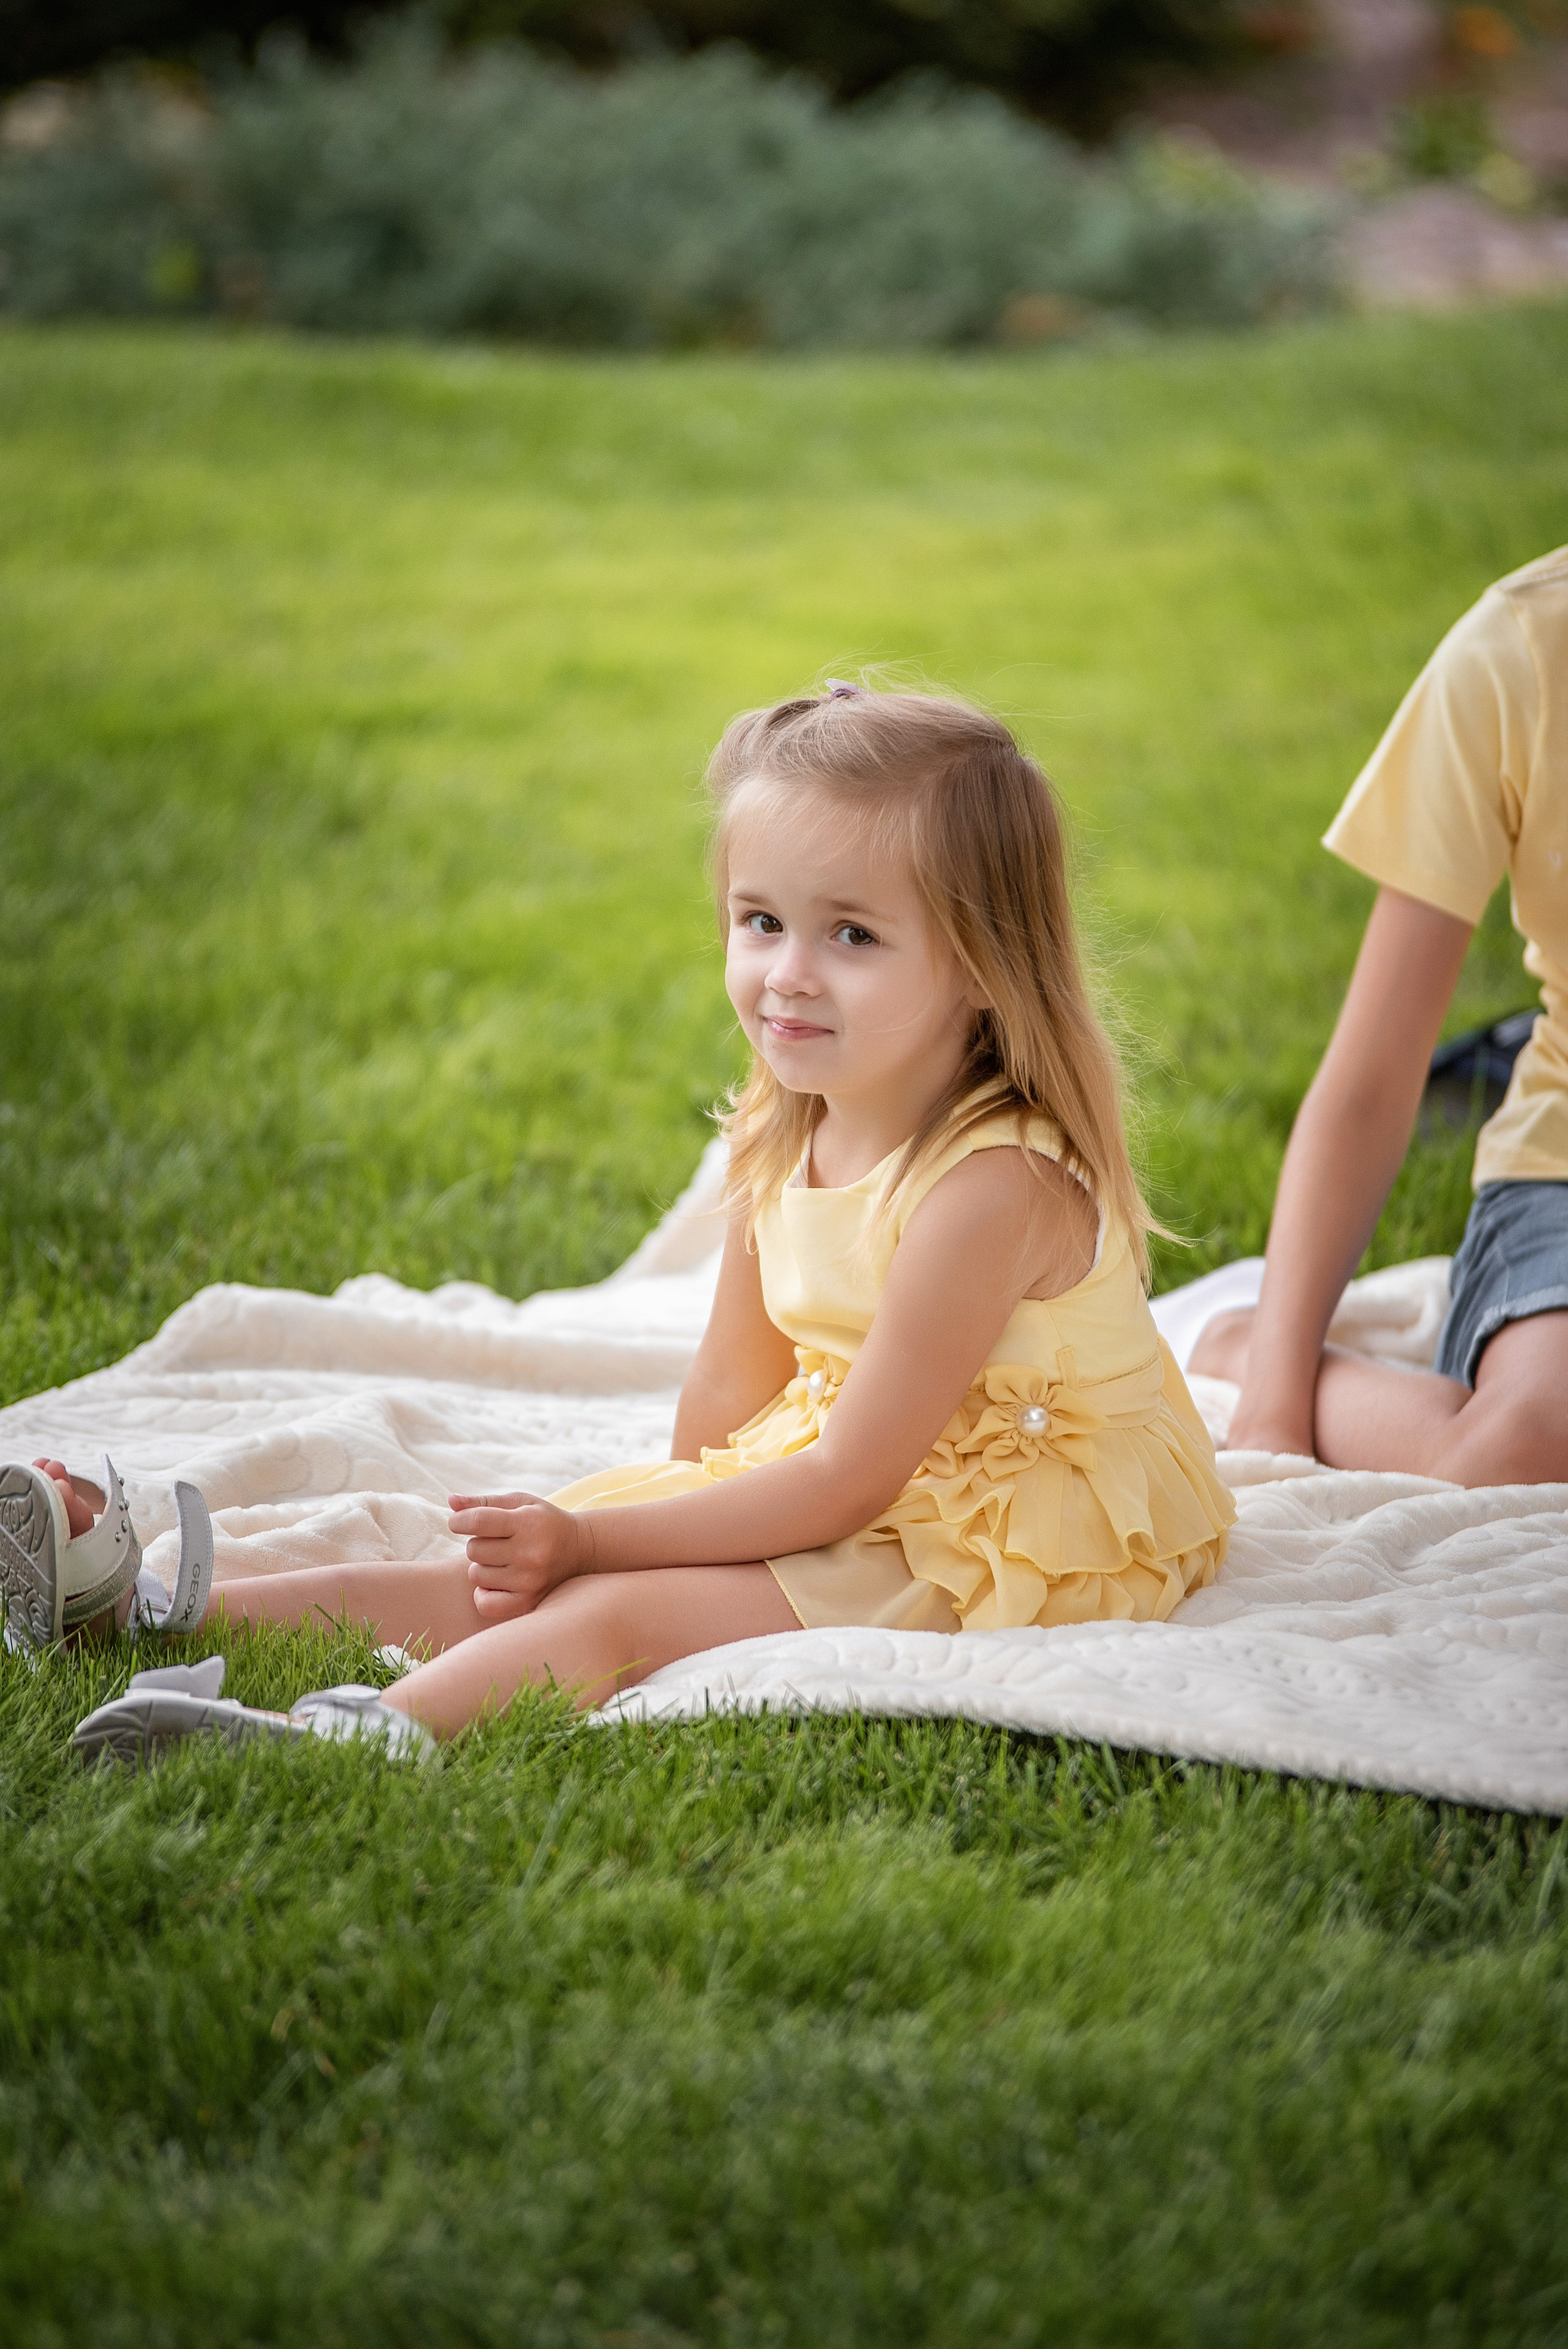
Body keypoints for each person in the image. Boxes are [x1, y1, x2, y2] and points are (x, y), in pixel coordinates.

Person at [38, 682, 1234, 1753]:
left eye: (851, 935)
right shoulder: (790, 1121)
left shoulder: (992, 1185)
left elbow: (851, 1481)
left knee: (610, 1608)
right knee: (503, 1580)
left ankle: (358, 1740)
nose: (786, 973)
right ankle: (148, 1606)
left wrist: (614, 1556)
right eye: (759, 921)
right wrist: (649, 1517)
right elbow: (728, 1388)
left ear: (983, 961)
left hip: (1011, 1517)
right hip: (861, 1456)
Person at [1193, 546, 1568, 1484]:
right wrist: (1273, 1405)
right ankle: (1240, 1338)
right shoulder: (1518, 649)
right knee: (1524, 1451)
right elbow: (1372, 1076)